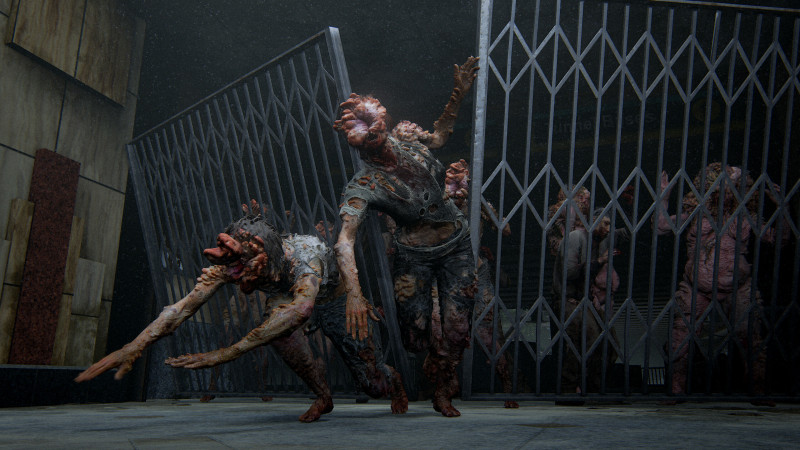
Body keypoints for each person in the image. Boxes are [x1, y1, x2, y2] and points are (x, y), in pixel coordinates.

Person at [76, 201, 408, 422]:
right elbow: (182, 307)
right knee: (281, 334)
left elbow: (303, 308)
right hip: (285, 296)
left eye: (245, 265)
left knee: (373, 384)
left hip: (332, 299)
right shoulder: (235, 264)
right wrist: (134, 346)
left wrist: (225, 354)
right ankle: (323, 397)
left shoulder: (306, 255)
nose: (236, 275)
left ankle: (393, 380)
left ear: (266, 256)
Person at [332, 57, 479, 417]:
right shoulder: (365, 184)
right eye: (371, 142)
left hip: (456, 243)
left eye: (380, 135)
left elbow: (440, 136)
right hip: (414, 256)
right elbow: (345, 240)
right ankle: (429, 358)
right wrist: (354, 293)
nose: (380, 144)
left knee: (457, 328)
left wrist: (458, 94)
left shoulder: (408, 141)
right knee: (414, 336)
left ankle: (442, 388)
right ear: (363, 148)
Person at [655, 163, 787, 404]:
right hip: (696, 286)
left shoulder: (746, 216)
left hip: (738, 286)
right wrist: (664, 196)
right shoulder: (697, 213)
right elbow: (662, 227)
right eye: (725, 181)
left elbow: (778, 238)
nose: (730, 186)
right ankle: (675, 390)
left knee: (750, 337)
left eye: (735, 182)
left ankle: (758, 390)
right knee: (680, 337)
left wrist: (781, 207)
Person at [551, 207, 626, 398]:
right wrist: (599, 261)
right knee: (586, 339)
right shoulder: (576, 237)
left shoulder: (598, 242)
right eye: (605, 224)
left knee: (610, 344)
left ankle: (593, 388)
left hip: (586, 300)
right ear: (593, 220)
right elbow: (569, 273)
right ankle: (568, 389)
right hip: (569, 299)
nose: (608, 229)